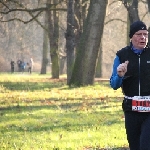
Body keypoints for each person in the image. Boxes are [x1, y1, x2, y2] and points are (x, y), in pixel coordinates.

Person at [110, 20, 150, 150]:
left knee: (145, 145)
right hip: (131, 110)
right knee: (135, 147)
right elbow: (114, 84)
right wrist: (120, 75)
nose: (143, 37)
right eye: (139, 34)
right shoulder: (121, 56)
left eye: (145, 34)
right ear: (131, 37)